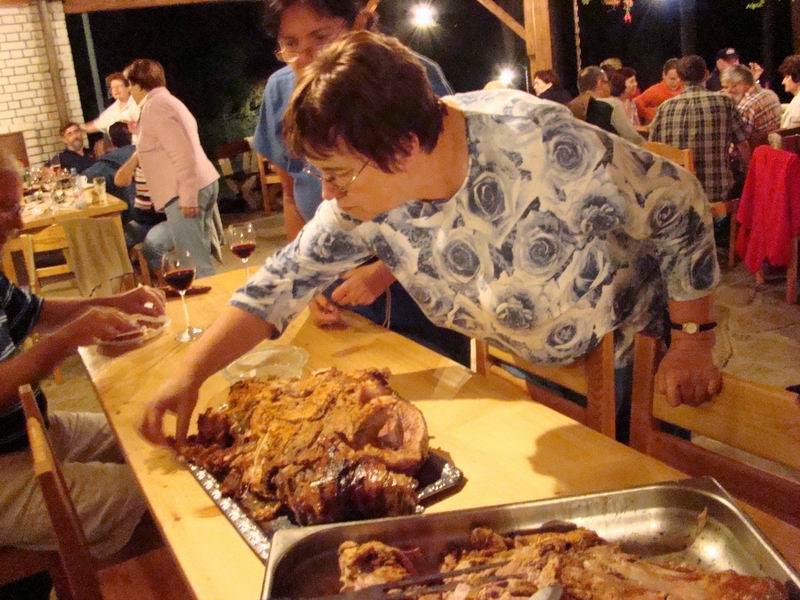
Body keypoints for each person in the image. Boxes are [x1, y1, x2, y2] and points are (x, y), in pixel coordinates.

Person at [141, 31, 723, 451]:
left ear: (404, 148)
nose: (330, 195)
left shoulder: (541, 145)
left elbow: (677, 201)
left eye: (338, 175)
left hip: (638, 361)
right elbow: (283, 278)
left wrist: (694, 338)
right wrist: (190, 373)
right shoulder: (368, 198)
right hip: (544, 365)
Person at [252, 0, 469, 364]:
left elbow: (448, 197)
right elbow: (290, 196)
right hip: (335, 287)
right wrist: (309, 285)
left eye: (321, 37)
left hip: (417, 287)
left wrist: (386, 271)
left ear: (359, 24)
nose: (306, 58)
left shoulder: (405, 75)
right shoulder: (279, 91)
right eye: (291, 44)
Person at [0, 152, 166, 598]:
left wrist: (114, 302)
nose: (19, 222)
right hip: (5, 470)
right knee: (153, 490)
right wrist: (69, 339)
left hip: (32, 433)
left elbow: (35, 313)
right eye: (6, 209)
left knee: (148, 431)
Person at [124, 59, 219, 278]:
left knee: (195, 263)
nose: (129, 91)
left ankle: (212, 300)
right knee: (199, 257)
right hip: (198, 184)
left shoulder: (156, 106)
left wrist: (187, 194)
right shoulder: (167, 101)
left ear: (138, 84)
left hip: (183, 190)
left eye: (129, 85)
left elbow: (181, 151)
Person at [650, 55, 750, 202]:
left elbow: (652, 151)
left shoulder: (664, 108)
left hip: (677, 196)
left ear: (680, 78)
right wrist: (750, 175)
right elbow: (743, 145)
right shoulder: (725, 102)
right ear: (706, 74)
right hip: (717, 194)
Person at [569, 66, 644, 145]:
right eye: (607, 82)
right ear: (600, 83)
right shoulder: (613, 104)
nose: (610, 86)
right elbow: (634, 139)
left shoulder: (571, 107)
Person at [83, 121, 136, 208]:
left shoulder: (106, 163)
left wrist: (100, 158)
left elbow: (86, 179)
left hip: (126, 211)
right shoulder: (146, 153)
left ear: (111, 141)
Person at [721, 64, 782, 138]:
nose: (728, 91)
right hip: (776, 143)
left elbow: (739, 140)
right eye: (725, 88)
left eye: (727, 87)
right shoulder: (771, 94)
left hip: (756, 145)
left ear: (742, 83)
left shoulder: (746, 108)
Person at [634, 58, 682, 125]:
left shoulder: (685, 89)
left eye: (680, 78)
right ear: (663, 75)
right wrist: (649, 113)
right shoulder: (655, 91)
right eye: (672, 79)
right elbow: (635, 103)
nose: (677, 82)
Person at [779, 54, 800, 129]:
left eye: (787, 77)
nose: (783, 82)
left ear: (797, 77)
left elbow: (787, 133)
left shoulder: (796, 106)